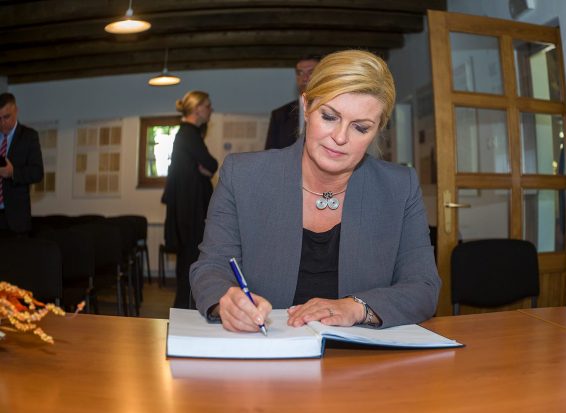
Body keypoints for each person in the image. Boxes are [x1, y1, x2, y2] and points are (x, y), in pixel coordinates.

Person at [191, 50, 441, 332]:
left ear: (377, 130)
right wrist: (226, 300)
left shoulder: (400, 186)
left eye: (361, 128)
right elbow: (211, 267)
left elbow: (423, 286)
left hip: (362, 354)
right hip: (266, 349)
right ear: (307, 106)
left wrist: (356, 308)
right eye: (329, 116)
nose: (340, 137)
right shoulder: (243, 176)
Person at [163, 91, 218, 308]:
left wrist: (205, 168)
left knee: (188, 264)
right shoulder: (188, 134)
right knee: (191, 264)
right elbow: (211, 164)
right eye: (208, 106)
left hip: (187, 210)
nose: (211, 110)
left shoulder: (187, 134)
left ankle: (185, 311)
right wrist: (205, 169)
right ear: (197, 109)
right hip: (190, 212)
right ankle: (185, 313)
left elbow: (208, 167)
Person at [0, 93, 43, 237]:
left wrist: (13, 173)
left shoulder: (29, 136)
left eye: (6, 117)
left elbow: (37, 172)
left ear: (16, 111)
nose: (2, 123)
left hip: (16, 220)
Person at [264, 55, 321, 150]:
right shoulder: (279, 115)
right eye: (300, 73)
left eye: (311, 72)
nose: (304, 78)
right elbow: (270, 154)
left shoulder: (333, 110)